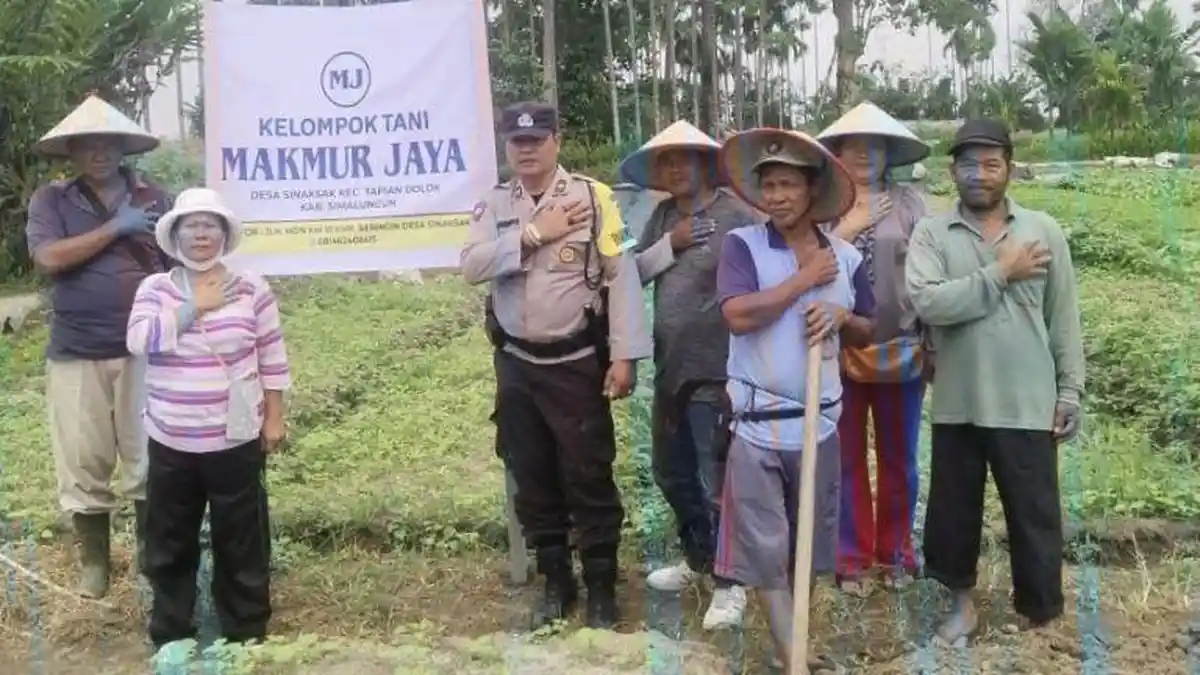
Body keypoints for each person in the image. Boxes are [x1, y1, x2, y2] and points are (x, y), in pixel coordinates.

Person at [460, 101, 652, 629]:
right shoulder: (495, 203)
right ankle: (555, 583)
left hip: (576, 364)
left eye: (536, 140)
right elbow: (471, 266)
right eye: (517, 141)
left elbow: (622, 275)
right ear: (507, 147)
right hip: (518, 365)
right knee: (532, 475)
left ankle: (600, 589)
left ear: (556, 141)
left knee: (588, 474)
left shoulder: (596, 197)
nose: (526, 149)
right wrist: (530, 234)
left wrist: (624, 355)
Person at [905, 119, 1084, 644]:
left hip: (1028, 401)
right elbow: (930, 301)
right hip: (959, 403)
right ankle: (961, 607)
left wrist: (1070, 389)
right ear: (951, 170)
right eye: (967, 164)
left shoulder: (1042, 231)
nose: (978, 174)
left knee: (1035, 515)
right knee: (953, 514)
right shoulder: (931, 234)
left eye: (990, 164)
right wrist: (1000, 274)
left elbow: (1063, 316)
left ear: (1008, 168)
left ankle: (1041, 616)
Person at [713, 128, 876, 670]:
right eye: (768, 185)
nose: (777, 196)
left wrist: (842, 316)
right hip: (757, 426)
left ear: (812, 191)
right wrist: (802, 281)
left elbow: (869, 329)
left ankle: (793, 647)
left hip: (819, 427)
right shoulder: (744, 247)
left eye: (787, 184)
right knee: (765, 554)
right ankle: (796, 660)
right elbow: (737, 316)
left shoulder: (848, 258)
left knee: (806, 553)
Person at [126, 187, 291, 650]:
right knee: (169, 541)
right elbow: (139, 340)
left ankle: (245, 633)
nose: (201, 234)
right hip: (171, 438)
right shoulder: (155, 289)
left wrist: (273, 417)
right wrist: (194, 306)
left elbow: (272, 356)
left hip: (234, 438)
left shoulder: (252, 288)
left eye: (210, 225)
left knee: (241, 539)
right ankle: (172, 634)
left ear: (224, 235)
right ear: (176, 236)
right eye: (191, 226)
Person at [25, 94, 174, 599]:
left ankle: (153, 563)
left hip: (148, 346)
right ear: (72, 151)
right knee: (82, 458)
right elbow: (48, 258)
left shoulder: (157, 197)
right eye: (87, 143)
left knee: (149, 455)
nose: (99, 151)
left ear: (122, 146)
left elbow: (181, 262)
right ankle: (95, 566)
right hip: (77, 347)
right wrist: (117, 227)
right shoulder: (52, 201)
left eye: (108, 141)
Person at [621, 120, 756, 629]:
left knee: (715, 476)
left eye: (686, 159)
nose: (676, 169)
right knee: (670, 471)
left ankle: (731, 582)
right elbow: (632, 274)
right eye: (667, 161)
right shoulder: (660, 217)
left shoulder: (737, 217)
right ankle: (699, 559)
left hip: (719, 370)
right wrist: (671, 244)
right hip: (671, 365)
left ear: (708, 165)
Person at [816, 101, 931, 594]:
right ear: (837, 153)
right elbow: (808, 265)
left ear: (889, 154)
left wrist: (934, 342)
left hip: (902, 348)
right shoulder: (820, 205)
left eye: (874, 146)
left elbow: (931, 272)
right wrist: (851, 223)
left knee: (899, 455)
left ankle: (897, 552)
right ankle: (850, 555)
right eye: (852, 146)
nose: (863, 154)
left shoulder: (911, 204)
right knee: (843, 457)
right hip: (835, 349)